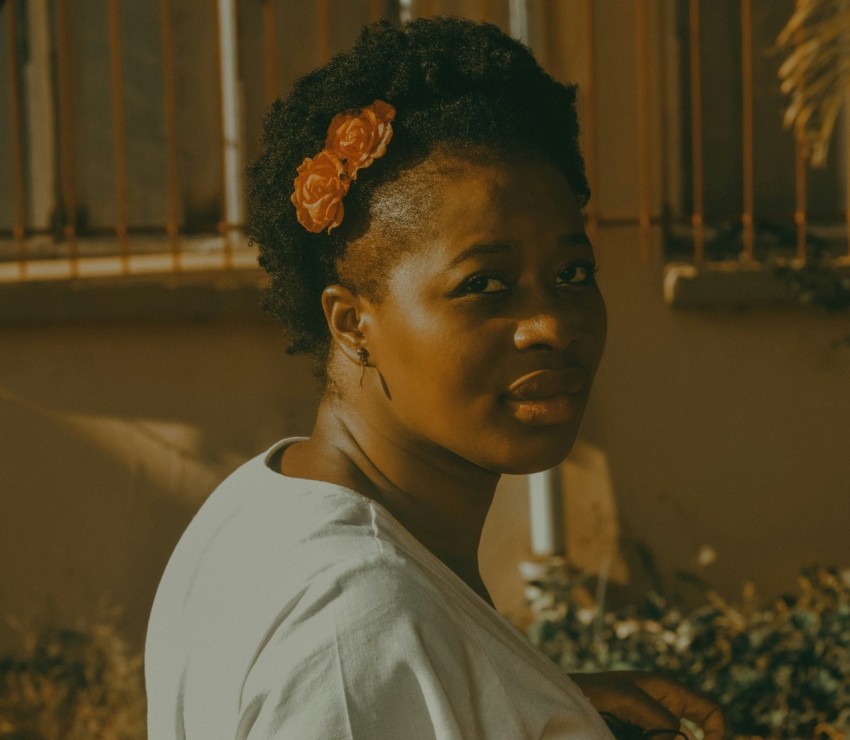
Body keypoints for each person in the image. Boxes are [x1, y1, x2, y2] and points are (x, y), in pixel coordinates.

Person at [145, 17, 724, 739]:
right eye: (485, 284)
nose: (552, 325)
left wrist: (522, 697)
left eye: (573, 273)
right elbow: (349, 675)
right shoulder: (359, 625)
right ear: (352, 324)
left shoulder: (265, 502)